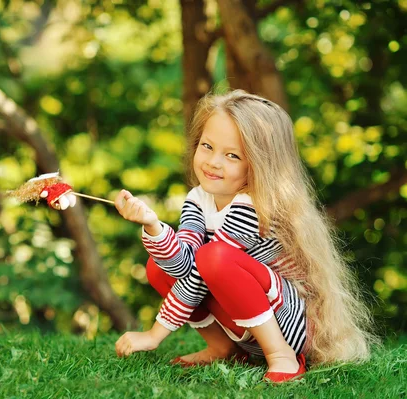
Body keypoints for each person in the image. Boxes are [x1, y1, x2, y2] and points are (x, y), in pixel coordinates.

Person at [113, 89, 377, 383]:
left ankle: (282, 357)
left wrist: (155, 334)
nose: (213, 162)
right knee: (157, 266)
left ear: (259, 164)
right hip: (243, 325)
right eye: (207, 146)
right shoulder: (198, 198)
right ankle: (222, 346)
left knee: (214, 256)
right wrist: (153, 226)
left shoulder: (254, 205)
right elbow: (182, 266)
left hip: (289, 322)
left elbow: (202, 269)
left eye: (232, 155)